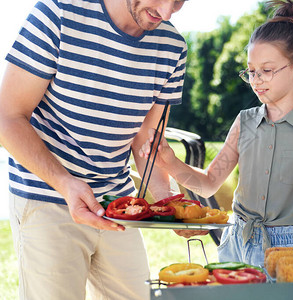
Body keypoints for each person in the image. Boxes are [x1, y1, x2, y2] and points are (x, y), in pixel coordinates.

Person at [0, 0, 189, 299]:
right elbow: (7, 116)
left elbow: (145, 138)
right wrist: (66, 184)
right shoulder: (58, 13)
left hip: (118, 203)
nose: (165, 13)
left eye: (178, 1)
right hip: (48, 196)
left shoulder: (172, 45)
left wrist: (169, 202)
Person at [140, 0, 293, 268]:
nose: (256, 80)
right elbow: (209, 182)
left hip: (290, 253)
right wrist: (169, 160)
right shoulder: (243, 122)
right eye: (251, 72)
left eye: (267, 71)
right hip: (235, 241)